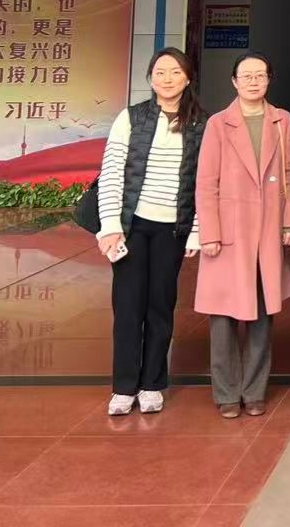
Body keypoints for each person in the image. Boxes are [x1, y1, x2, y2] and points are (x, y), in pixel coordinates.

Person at [95, 47, 205, 417]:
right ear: (151, 78)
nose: (167, 78)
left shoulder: (201, 123)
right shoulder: (131, 118)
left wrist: (195, 232)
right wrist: (110, 226)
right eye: (160, 72)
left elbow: (204, 183)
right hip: (132, 226)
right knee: (128, 307)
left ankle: (153, 384)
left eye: (175, 72)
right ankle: (124, 387)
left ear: (187, 78)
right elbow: (112, 173)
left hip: (173, 230)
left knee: (161, 306)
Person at [195, 52, 290, 420]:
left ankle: (254, 391)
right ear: (234, 82)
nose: (254, 81)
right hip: (229, 230)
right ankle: (226, 392)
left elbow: (289, 174)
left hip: (267, 228)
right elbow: (206, 181)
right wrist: (209, 232)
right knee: (223, 317)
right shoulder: (218, 124)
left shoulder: (282, 120)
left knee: (261, 316)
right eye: (246, 76)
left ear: (269, 79)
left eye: (260, 75)